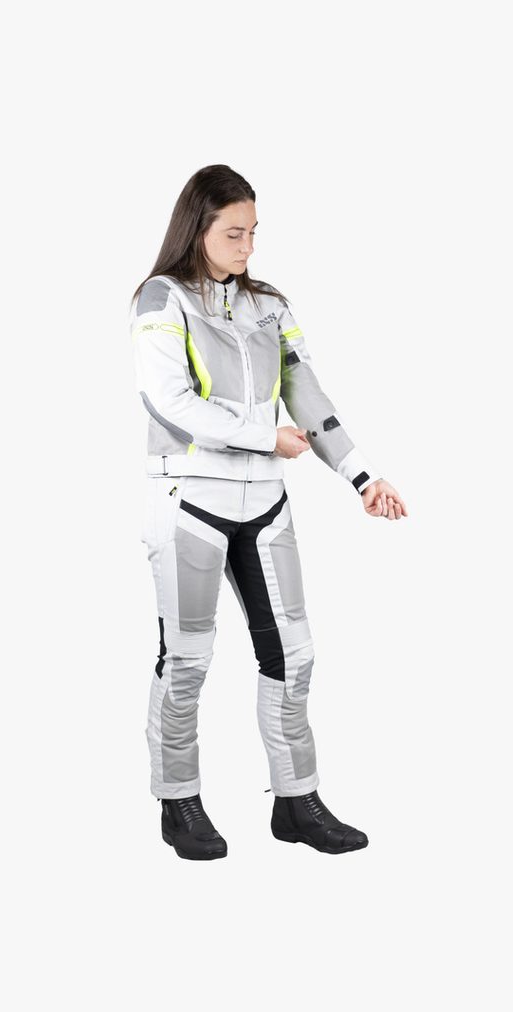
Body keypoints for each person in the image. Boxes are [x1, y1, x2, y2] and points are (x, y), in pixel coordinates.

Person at [129, 164, 407, 861]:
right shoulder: (160, 297)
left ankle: (296, 801)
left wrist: (362, 475)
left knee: (294, 655)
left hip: (265, 503)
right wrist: (264, 436)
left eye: (254, 232)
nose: (247, 246)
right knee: (187, 659)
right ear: (197, 227)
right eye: (234, 233)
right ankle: (178, 801)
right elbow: (170, 401)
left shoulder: (269, 304)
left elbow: (307, 394)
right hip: (189, 500)